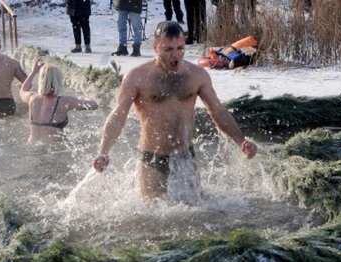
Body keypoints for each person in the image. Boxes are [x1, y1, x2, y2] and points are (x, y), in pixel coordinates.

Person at [92, 21, 257, 201]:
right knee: (151, 214)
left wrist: (241, 140)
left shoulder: (196, 75)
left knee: (197, 211)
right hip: (152, 158)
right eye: (168, 49)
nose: (175, 55)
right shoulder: (137, 77)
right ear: (156, 48)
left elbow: (217, 111)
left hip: (185, 156)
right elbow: (118, 115)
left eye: (180, 48)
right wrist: (104, 151)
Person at [20, 58, 99, 144]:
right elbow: (94, 104)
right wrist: (85, 93)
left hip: (31, 145)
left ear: (41, 81)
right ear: (58, 81)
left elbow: (23, 90)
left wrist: (34, 72)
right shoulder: (64, 101)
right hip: (52, 148)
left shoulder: (32, 98)